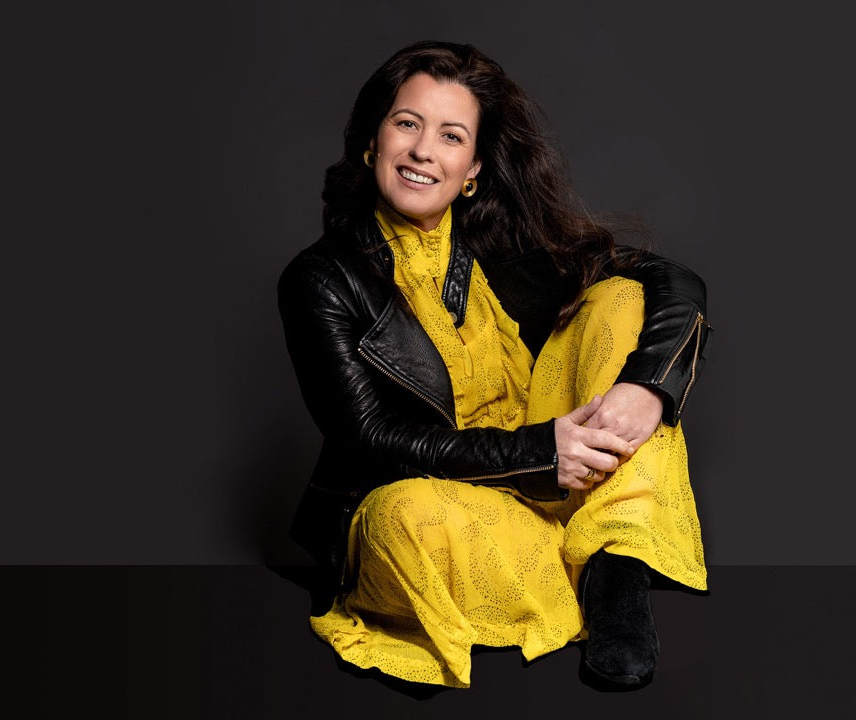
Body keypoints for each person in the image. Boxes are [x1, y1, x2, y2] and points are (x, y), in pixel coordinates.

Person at [276, 40, 711, 691]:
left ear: (471, 167)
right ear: (372, 142)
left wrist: (650, 390)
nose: (425, 150)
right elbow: (371, 439)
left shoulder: (502, 245)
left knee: (623, 297)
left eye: (451, 135)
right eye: (407, 123)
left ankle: (614, 568)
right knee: (398, 520)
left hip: (564, 465)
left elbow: (675, 281)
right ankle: (598, 559)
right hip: (451, 496)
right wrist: (543, 452)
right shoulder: (321, 279)